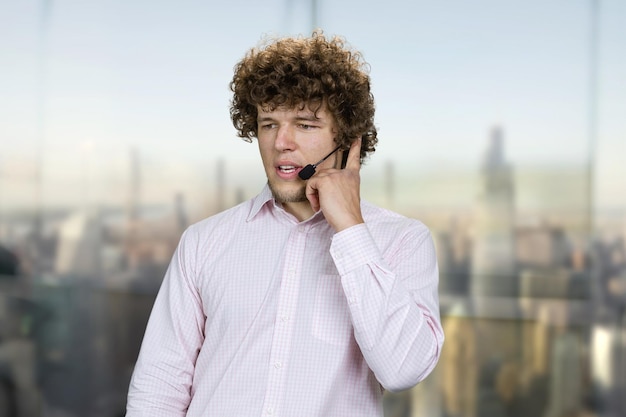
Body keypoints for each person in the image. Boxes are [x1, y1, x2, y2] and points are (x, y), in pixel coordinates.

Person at [126, 30, 444, 417]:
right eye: (268, 124)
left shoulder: (401, 240)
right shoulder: (203, 242)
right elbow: (159, 386)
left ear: (345, 140)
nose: (281, 142)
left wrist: (350, 230)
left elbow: (404, 369)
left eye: (305, 125)